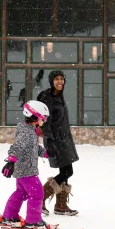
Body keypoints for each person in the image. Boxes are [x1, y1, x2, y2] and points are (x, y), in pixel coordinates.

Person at [0, 100, 50, 229]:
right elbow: (18, 146)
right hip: (27, 170)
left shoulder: (29, 130)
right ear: (36, 116)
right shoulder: (27, 132)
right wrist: (10, 162)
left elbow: (33, 148)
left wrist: (46, 153)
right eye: (44, 118)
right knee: (37, 193)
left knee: (21, 193)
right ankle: (33, 220)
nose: (44, 121)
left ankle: (9, 215)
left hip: (23, 169)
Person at [37, 70, 79, 216]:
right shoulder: (47, 97)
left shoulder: (58, 97)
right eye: (57, 79)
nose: (60, 81)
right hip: (55, 140)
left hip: (64, 140)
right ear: (51, 81)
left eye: (62, 79)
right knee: (67, 171)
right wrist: (50, 140)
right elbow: (44, 122)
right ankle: (40, 198)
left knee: (65, 172)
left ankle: (61, 205)